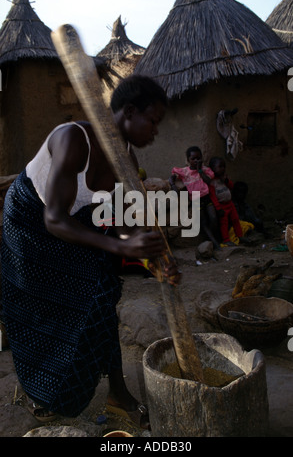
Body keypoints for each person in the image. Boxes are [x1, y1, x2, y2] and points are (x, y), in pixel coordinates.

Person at [1, 75, 180, 429]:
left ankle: (117, 393)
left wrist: (152, 258)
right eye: (153, 120)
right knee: (40, 307)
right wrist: (120, 245)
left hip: (72, 222)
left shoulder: (124, 159)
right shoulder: (73, 139)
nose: (155, 131)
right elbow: (54, 219)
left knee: (102, 290)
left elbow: (119, 222)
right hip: (30, 222)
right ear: (129, 112)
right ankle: (42, 387)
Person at [169, 146, 220, 249]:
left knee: (214, 218)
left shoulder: (204, 170)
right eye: (193, 159)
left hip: (206, 197)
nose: (196, 160)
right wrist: (173, 185)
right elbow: (172, 176)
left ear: (202, 158)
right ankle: (214, 243)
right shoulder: (185, 172)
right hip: (195, 199)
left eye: (198, 158)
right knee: (203, 222)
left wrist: (199, 170)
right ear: (188, 160)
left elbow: (208, 181)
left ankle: (212, 238)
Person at [208, 156, 244, 246]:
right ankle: (226, 239)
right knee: (224, 223)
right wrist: (218, 208)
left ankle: (240, 236)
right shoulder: (212, 182)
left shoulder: (224, 178)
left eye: (224, 166)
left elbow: (232, 187)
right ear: (212, 169)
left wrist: (226, 180)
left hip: (230, 203)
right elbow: (213, 197)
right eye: (220, 167)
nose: (223, 168)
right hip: (222, 205)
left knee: (236, 219)